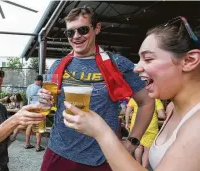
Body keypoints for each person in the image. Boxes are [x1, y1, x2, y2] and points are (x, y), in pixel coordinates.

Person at [63, 16, 200, 170]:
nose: (136, 68)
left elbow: (145, 103)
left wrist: (101, 131)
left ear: (189, 61)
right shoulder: (172, 109)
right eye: (140, 59)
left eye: (148, 59)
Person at [39, 6, 155, 171]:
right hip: (58, 152)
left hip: (102, 158)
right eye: (70, 32)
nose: (76, 36)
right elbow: (52, 105)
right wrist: (45, 102)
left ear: (97, 28)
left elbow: (147, 102)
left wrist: (133, 142)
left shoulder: (118, 64)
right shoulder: (58, 66)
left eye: (83, 30)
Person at [125, 98, 165, 168]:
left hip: (137, 125)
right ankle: (144, 168)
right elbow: (161, 115)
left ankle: (138, 166)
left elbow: (128, 110)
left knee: (138, 146)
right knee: (147, 150)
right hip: (150, 127)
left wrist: (127, 122)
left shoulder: (136, 97)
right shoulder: (156, 100)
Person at [24, 75, 45, 152]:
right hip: (38, 108)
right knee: (39, 126)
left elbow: (27, 97)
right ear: (40, 81)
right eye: (42, 82)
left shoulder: (29, 87)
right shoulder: (40, 89)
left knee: (29, 125)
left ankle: (27, 143)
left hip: (30, 107)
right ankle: (38, 146)